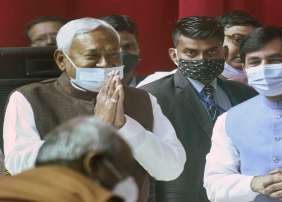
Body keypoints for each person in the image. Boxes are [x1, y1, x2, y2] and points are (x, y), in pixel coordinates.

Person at [3, 17, 186, 202]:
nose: (105, 64)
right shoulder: (30, 98)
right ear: (61, 60)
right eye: (92, 56)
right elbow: (19, 165)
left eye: (114, 54)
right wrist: (94, 129)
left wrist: (125, 127)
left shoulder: (143, 99)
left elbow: (171, 169)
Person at [141, 16, 257, 202]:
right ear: (174, 55)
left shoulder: (246, 95)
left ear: (224, 52)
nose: (202, 60)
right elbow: (145, 167)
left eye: (211, 52)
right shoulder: (151, 97)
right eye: (191, 53)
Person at [204, 26, 282, 202]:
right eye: (254, 62)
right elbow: (215, 186)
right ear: (245, 69)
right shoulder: (229, 120)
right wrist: (254, 183)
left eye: (274, 60)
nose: (264, 68)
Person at [0, 116, 138, 202]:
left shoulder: (7, 187)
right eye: (123, 170)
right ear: (94, 164)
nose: (127, 180)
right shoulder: (91, 197)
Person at [218, 10, 261, 83]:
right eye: (238, 39)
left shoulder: (268, 80)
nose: (245, 49)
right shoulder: (208, 80)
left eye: (252, 42)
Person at [100, 15, 143, 87]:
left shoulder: (152, 90)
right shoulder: (84, 93)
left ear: (138, 50)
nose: (121, 53)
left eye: (127, 46)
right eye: (112, 49)